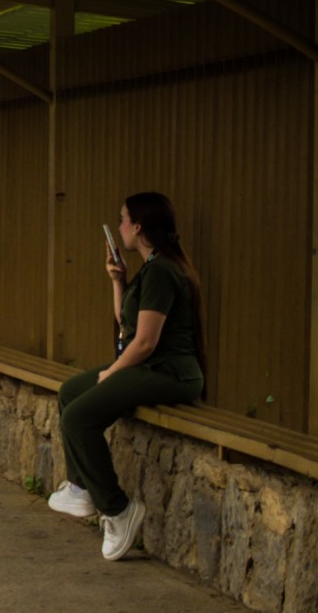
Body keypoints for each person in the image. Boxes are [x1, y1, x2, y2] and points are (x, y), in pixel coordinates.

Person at [48, 193, 207, 560]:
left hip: (169, 372)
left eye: (122, 219)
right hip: (148, 366)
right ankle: (82, 486)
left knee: (79, 418)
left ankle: (118, 510)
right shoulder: (150, 268)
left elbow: (146, 342)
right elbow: (127, 324)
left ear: (138, 226)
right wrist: (118, 281)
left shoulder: (164, 271)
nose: (118, 226)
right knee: (70, 392)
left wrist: (112, 372)